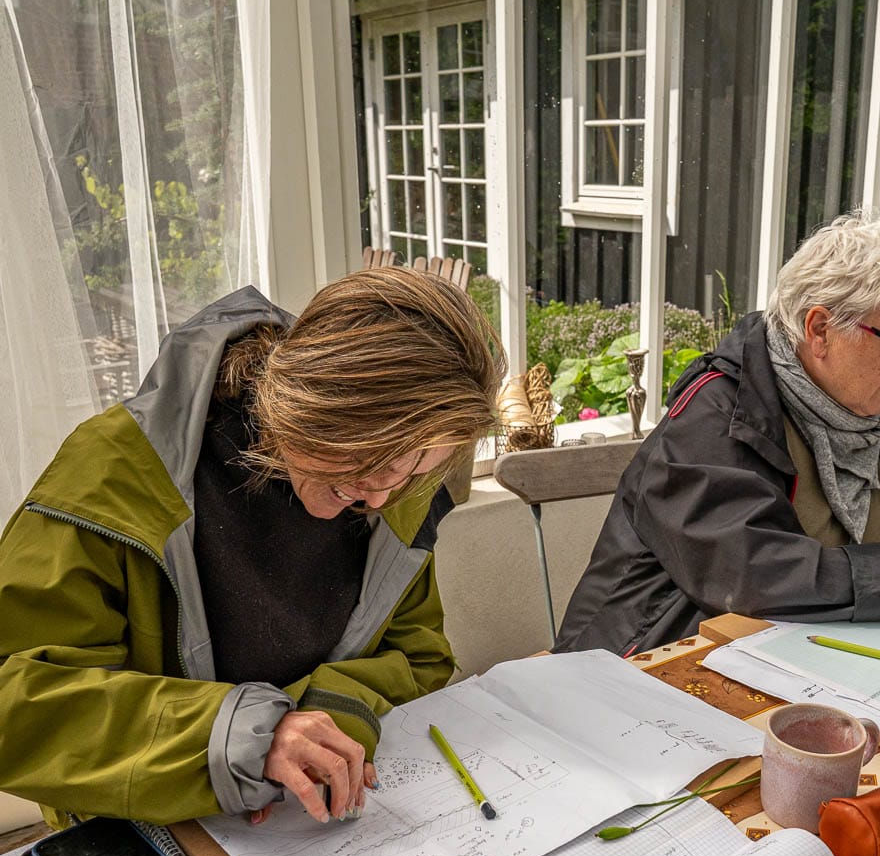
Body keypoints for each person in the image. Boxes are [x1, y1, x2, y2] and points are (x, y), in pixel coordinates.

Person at [0, 267, 504, 827]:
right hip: (146, 833)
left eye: (417, 470)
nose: (384, 495)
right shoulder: (112, 476)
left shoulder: (398, 489)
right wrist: (238, 739)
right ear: (312, 398)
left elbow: (418, 655)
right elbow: (13, 700)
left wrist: (328, 719)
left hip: (290, 830)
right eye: (372, 460)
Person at [553, 211, 880, 656]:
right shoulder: (714, 417)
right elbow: (755, 574)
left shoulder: (878, 406)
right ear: (820, 329)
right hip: (650, 669)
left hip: (792, 655)